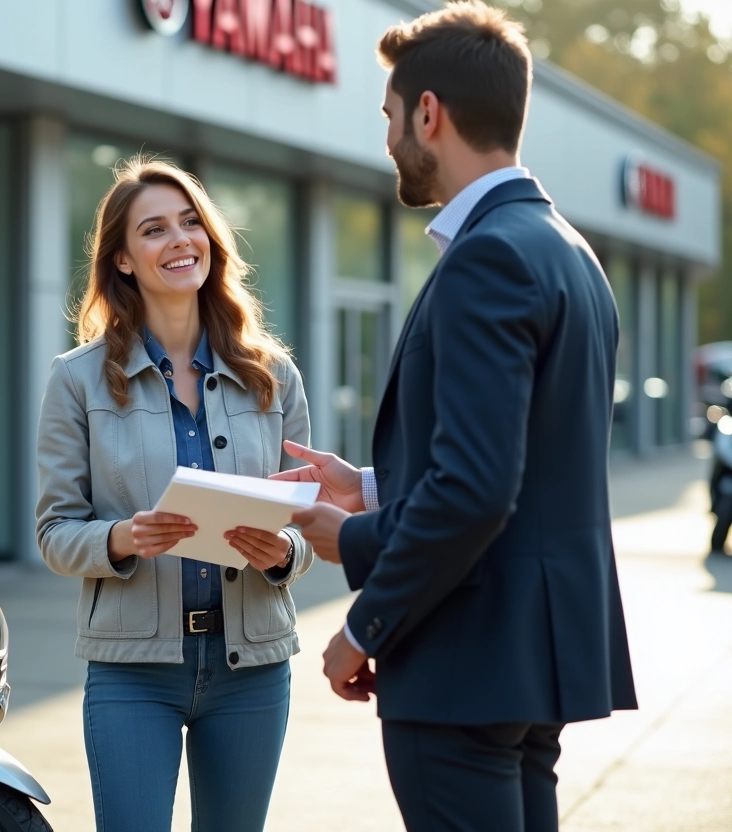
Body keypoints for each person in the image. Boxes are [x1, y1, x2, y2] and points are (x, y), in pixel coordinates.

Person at [272, 3, 638, 830]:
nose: (390, 137)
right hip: (531, 665)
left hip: (464, 662)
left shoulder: (490, 258)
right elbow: (529, 465)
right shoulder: (570, 253)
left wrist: (361, 603)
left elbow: (476, 490)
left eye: (389, 117)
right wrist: (367, 486)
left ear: (427, 113)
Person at [36, 157, 312, 832]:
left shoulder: (272, 376)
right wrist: (123, 538)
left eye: (191, 222)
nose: (179, 240)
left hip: (252, 666)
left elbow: (309, 521)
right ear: (124, 260)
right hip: (133, 671)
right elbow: (54, 532)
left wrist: (282, 554)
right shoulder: (76, 381)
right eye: (154, 230)